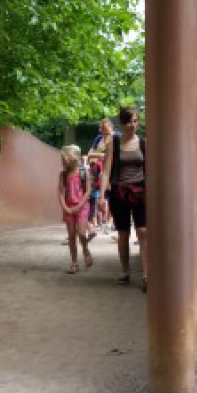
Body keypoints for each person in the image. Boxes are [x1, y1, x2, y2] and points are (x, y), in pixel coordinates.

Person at [98, 107, 147, 291]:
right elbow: (106, 171)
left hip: (140, 191)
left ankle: (146, 275)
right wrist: (101, 197)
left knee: (143, 231)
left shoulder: (143, 143)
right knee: (124, 233)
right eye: (128, 122)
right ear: (122, 123)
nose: (132, 125)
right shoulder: (114, 143)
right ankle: (125, 271)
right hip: (119, 192)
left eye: (135, 121)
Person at [58, 145, 93, 274]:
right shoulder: (63, 175)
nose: (62, 162)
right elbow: (60, 193)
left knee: (82, 233)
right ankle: (74, 262)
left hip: (82, 207)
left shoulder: (84, 172)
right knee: (71, 236)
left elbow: (88, 191)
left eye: (64, 159)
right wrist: (65, 207)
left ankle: (85, 249)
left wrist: (79, 206)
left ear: (72, 159)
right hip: (69, 208)